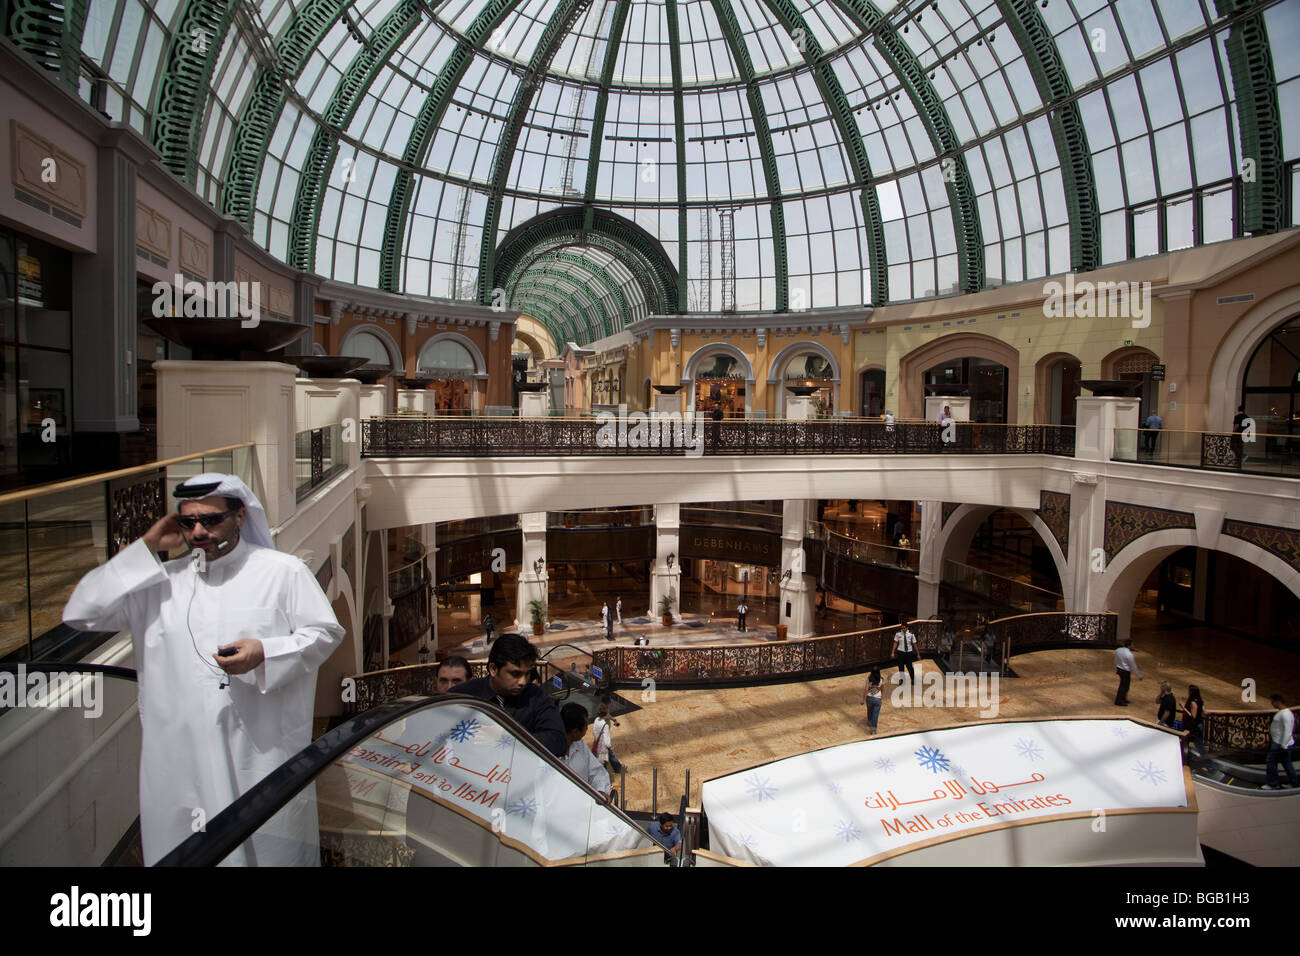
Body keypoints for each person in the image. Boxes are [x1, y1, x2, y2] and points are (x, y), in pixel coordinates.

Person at [62, 473, 344, 866]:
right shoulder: (159, 586)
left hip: (257, 760)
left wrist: (266, 651)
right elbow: (81, 612)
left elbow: (325, 633)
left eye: (210, 520)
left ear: (241, 516)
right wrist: (146, 547)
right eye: (187, 522)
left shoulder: (283, 572)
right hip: (180, 770)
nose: (198, 532)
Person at [450, 634, 567, 758]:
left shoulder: (535, 697)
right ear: (493, 669)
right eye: (515, 674)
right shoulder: (461, 696)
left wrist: (510, 737)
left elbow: (558, 742)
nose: (522, 682)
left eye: (527, 674)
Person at [561, 703, 610, 798]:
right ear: (575, 732)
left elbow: (596, 771)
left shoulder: (580, 745)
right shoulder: (548, 750)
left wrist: (600, 790)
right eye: (585, 727)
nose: (587, 729)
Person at [1262, 694, 1298, 790]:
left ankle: (1273, 784)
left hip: (1279, 744)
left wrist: (1283, 745)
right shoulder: (1285, 713)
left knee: (1271, 762)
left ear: (1277, 701)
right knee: (1287, 763)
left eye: (1273, 702)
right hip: (1282, 743)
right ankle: (1295, 782)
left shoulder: (1285, 714)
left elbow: (1288, 730)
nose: (1272, 704)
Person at [592, 700, 627, 774]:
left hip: (597, 744)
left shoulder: (596, 720)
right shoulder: (605, 726)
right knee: (604, 763)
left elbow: (594, 732)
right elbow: (607, 740)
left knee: (609, 757)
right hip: (603, 747)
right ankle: (617, 769)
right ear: (606, 714)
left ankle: (618, 767)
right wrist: (610, 747)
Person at [1113, 638, 1142, 706]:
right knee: (1124, 686)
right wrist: (1138, 675)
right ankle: (1119, 700)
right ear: (1130, 645)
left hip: (1119, 669)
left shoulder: (1118, 650)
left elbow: (1116, 659)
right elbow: (1133, 666)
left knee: (1125, 685)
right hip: (1125, 671)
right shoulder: (1129, 655)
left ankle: (1123, 698)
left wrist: (1117, 665)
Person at [1181, 685, 1205, 756]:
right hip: (1199, 724)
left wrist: (1183, 708)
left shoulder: (1193, 703)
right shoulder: (1200, 701)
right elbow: (1204, 712)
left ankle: (1210, 763)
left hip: (1193, 727)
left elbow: (1193, 716)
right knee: (1188, 742)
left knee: (1198, 745)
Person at [863, 668, 883, 735]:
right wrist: (881, 696)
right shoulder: (881, 679)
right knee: (875, 714)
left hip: (869, 698)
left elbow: (866, 689)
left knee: (869, 709)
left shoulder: (869, 679)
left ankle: (869, 721)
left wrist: (863, 699)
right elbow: (882, 689)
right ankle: (873, 729)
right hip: (878, 699)